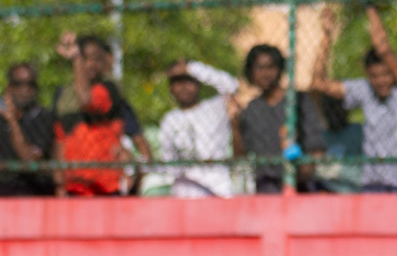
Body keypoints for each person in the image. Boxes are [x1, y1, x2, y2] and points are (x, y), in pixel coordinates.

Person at [311, 2, 397, 193]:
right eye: (374, 76)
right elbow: (318, 83)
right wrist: (326, 35)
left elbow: (384, 50)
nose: (381, 81)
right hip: (375, 183)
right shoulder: (366, 90)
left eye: (386, 75)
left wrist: (369, 6)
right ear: (367, 75)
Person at [51, 33, 151, 197]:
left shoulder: (109, 89)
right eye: (86, 58)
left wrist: (76, 58)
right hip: (75, 186)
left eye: (97, 59)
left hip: (107, 185)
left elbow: (86, 100)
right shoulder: (64, 96)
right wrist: (59, 182)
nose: (91, 64)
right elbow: (60, 139)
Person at [238, 45, 328, 194]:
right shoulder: (252, 109)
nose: (265, 73)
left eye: (270, 67)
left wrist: (303, 173)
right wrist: (234, 122)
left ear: (279, 69)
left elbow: (316, 145)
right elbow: (243, 151)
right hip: (267, 186)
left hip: (300, 184)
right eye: (259, 68)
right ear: (251, 72)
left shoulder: (299, 101)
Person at [158, 58, 241, 198]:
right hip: (185, 189)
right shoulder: (170, 119)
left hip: (218, 185)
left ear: (198, 84)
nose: (183, 87)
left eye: (188, 81)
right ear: (171, 88)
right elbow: (168, 159)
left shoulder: (215, 108)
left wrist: (193, 68)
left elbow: (231, 85)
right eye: (178, 82)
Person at [1, 63, 54, 197]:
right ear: (9, 88)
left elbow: (29, 160)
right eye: (18, 84)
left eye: (30, 84)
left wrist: (12, 121)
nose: (25, 89)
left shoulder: (43, 117)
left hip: (31, 192)